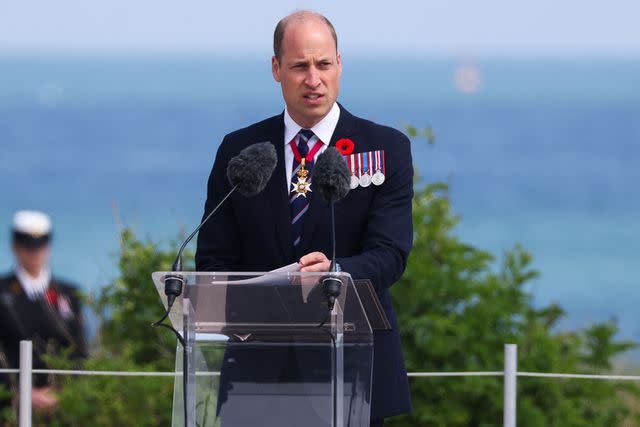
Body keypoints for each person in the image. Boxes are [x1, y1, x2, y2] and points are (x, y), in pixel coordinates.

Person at [195, 11, 413, 426]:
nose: (313, 78)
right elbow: (212, 263)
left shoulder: (384, 148)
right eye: (299, 66)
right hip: (257, 374)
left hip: (351, 370)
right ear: (277, 69)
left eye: (323, 64)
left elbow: (390, 253)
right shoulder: (240, 149)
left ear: (339, 65)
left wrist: (338, 273)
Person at [0, 210, 86, 414]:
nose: (34, 252)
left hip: (62, 405)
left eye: (40, 246)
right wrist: (20, 392)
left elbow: (79, 349)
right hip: (9, 405)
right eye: (27, 246)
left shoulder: (68, 293)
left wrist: (64, 391)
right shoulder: (3, 292)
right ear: (15, 246)